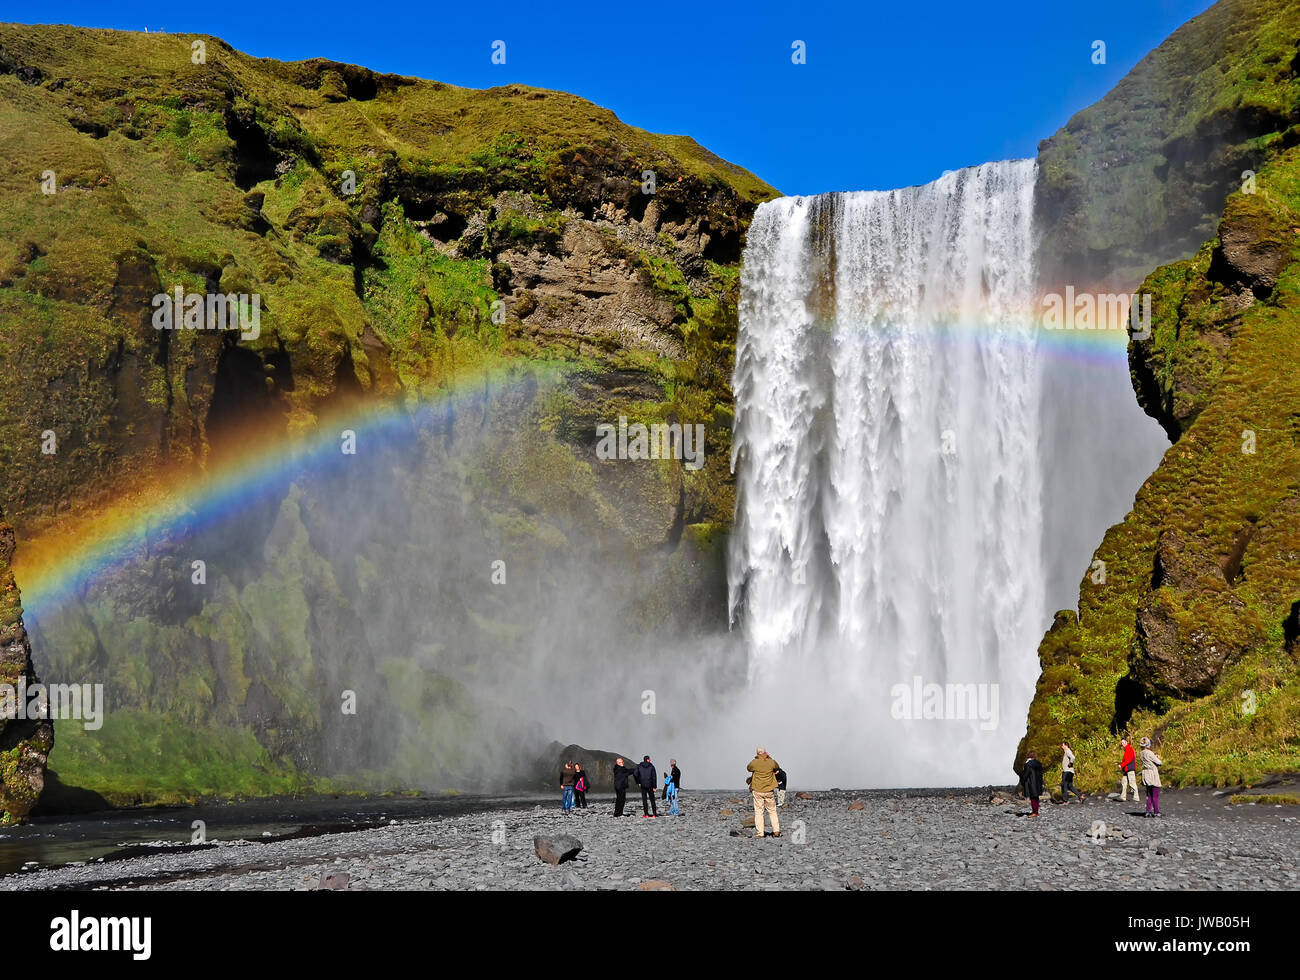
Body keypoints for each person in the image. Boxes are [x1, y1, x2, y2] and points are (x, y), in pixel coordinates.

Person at [746, 746, 781, 838]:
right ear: (766, 753)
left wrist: (757, 759)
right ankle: (776, 831)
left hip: (758, 790)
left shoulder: (755, 762)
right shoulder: (771, 762)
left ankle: (760, 833)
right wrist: (768, 758)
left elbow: (748, 768)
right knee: (772, 811)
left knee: (759, 812)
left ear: (758, 753)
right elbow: (777, 766)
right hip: (769, 790)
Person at [1139, 737, 1163, 818]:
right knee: (1155, 794)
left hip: (1145, 773)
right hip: (1152, 774)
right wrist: (1157, 757)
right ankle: (1156, 811)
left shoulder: (1141, 753)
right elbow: (1159, 762)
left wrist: (1154, 757)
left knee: (1149, 794)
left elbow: (1148, 760)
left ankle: (1148, 811)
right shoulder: (1149, 752)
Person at [1021, 751, 1044, 817]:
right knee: (1036, 797)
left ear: (1028, 756)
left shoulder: (1028, 764)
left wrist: (1022, 781)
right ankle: (1036, 811)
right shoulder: (1039, 763)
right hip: (1038, 783)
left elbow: (1026, 774)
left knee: (1033, 797)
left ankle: (1034, 812)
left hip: (1031, 783)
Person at [1118, 737, 1139, 803]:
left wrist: (1121, 765)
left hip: (1130, 768)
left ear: (1127, 742)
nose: (1122, 744)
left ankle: (1136, 797)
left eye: (1123, 742)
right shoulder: (1127, 749)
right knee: (1124, 782)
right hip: (1126, 769)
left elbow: (1128, 760)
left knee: (1132, 783)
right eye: (1122, 743)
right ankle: (1123, 797)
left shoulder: (1129, 749)